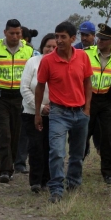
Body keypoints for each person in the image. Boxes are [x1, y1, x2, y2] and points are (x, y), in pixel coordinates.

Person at [35, 21, 93, 203]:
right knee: (57, 152)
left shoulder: (83, 57)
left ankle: (74, 182)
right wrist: (37, 113)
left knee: (77, 152)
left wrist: (87, 109)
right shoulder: (48, 60)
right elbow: (40, 86)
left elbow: (88, 83)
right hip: (58, 112)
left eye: (63, 37)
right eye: (57, 36)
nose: (59, 40)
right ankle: (56, 189)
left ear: (73, 38)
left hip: (80, 112)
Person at [0, 19, 34, 183]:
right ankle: (4, 170)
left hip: (20, 98)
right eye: (12, 33)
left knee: (16, 134)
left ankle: (14, 163)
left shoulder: (29, 50)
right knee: (5, 134)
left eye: (18, 33)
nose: (15, 37)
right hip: (0, 97)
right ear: (5, 33)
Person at [84, 23, 111, 184]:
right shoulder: (86, 53)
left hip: (108, 100)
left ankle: (109, 172)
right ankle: (75, 166)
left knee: (108, 136)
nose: (100, 41)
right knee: (83, 133)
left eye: (104, 39)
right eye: (99, 37)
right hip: (88, 98)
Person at [20, 33, 56, 193]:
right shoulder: (33, 62)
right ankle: (35, 181)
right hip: (31, 113)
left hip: (56, 114)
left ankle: (47, 180)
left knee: (51, 148)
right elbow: (25, 88)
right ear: (42, 46)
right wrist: (40, 108)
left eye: (54, 46)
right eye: (48, 46)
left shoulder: (61, 63)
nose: (51, 49)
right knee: (35, 147)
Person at [14, 26, 40, 174]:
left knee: (24, 131)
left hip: (26, 95)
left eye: (20, 35)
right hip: (10, 93)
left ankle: (20, 161)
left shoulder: (32, 53)